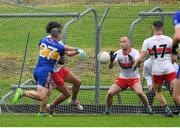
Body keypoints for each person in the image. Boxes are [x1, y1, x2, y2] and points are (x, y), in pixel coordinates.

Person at [12, 28, 65, 115]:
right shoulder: (60, 47)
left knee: (49, 90)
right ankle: (22, 92)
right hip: (46, 72)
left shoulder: (43, 39)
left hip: (37, 69)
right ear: (59, 35)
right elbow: (62, 62)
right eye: (61, 34)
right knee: (41, 96)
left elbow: (40, 49)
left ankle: (41, 112)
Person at [133, 21, 179, 117]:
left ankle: (167, 110)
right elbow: (174, 58)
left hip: (156, 70)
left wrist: (135, 64)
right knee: (177, 89)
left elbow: (142, 57)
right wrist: (169, 63)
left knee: (158, 91)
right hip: (169, 68)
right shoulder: (169, 40)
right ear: (162, 28)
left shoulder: (147, 41)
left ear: (152, 28)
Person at [44, 21, 86, 114]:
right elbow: (63, 47)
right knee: (66, 93)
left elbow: (68, 53)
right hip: (53, 72)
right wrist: (76, 48)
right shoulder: (48, 40)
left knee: (77, 82)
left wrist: (77, 51)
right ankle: (51, 107)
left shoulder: (57, 39)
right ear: (54, 31)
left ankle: (73, 100)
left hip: (60, 69)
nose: (61, 32)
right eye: (59, 31)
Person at [104, 36, 153, 115]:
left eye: (124, 42)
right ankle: (107, 110)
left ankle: (148, 108)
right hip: (122, 78)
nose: (122, 44)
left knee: (140, 93)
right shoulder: (118, 53)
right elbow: (110, 67)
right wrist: (111, 60)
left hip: (134, 78)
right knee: (110, 93)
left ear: (129, 43)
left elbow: (139, 66)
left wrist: (134, 61)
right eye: (121, 42)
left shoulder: (135, 52)